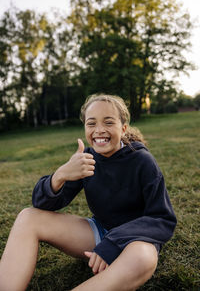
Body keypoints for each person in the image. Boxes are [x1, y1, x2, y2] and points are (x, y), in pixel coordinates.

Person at [0, 94, 177, 291]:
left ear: (123, 128)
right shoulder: (86, 159)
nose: (99, 130)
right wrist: (60, 176)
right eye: (91, 124)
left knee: (143, 258)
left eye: (108, 122)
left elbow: (162, 218)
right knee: (28, 217)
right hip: (99, 232)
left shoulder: (143, 161)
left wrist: (114, 243)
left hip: (135, 241)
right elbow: (41, 204)